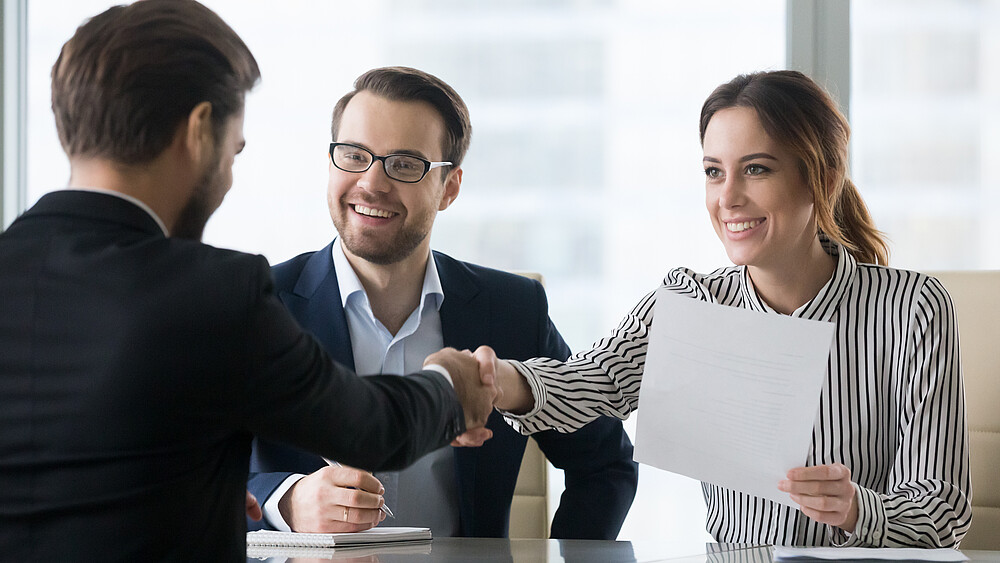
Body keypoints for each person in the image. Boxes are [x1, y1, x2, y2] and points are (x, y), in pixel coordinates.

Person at [0, 2, 496, 560]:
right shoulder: (211, 293)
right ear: (197, 133)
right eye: (233, 149)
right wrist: (451, 388)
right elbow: (369, 427)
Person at [482, 70, 972, 547]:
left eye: (756, 169)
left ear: (822, 177)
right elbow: (596, 381)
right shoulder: (693, 301)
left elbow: (942, 509)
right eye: (714, 172)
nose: (728, 198)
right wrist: (496, 381)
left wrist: (856, 509)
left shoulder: (912, 309)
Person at [248, 66, 638, 539]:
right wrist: (284, 502)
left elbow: (606, 463)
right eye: (354, 156)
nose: (371, 183)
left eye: (406, 164)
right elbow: (169, 477)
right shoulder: (253, 305)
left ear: (449, 188)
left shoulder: (512, 310)